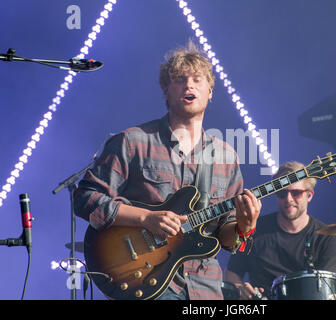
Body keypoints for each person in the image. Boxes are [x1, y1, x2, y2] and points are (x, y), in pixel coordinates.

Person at [74, 40, 261, 300]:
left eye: (197, 79)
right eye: (179, 79)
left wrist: (244, 225)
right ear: (165, 91)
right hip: (144, 283)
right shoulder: (133, 141)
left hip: (204, 291)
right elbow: (85, 199)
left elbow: (225, 238)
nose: (189, 85)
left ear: (210, 91)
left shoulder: (226, 157)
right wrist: (144, 218)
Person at [225, 161, 336, 300]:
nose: (288, 199)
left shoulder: (328, 237)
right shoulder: (254, 230)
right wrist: (240, 288)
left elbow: (328, 292)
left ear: (309, 195)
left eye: (296, 193)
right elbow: (232, 273)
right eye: (282, 193)